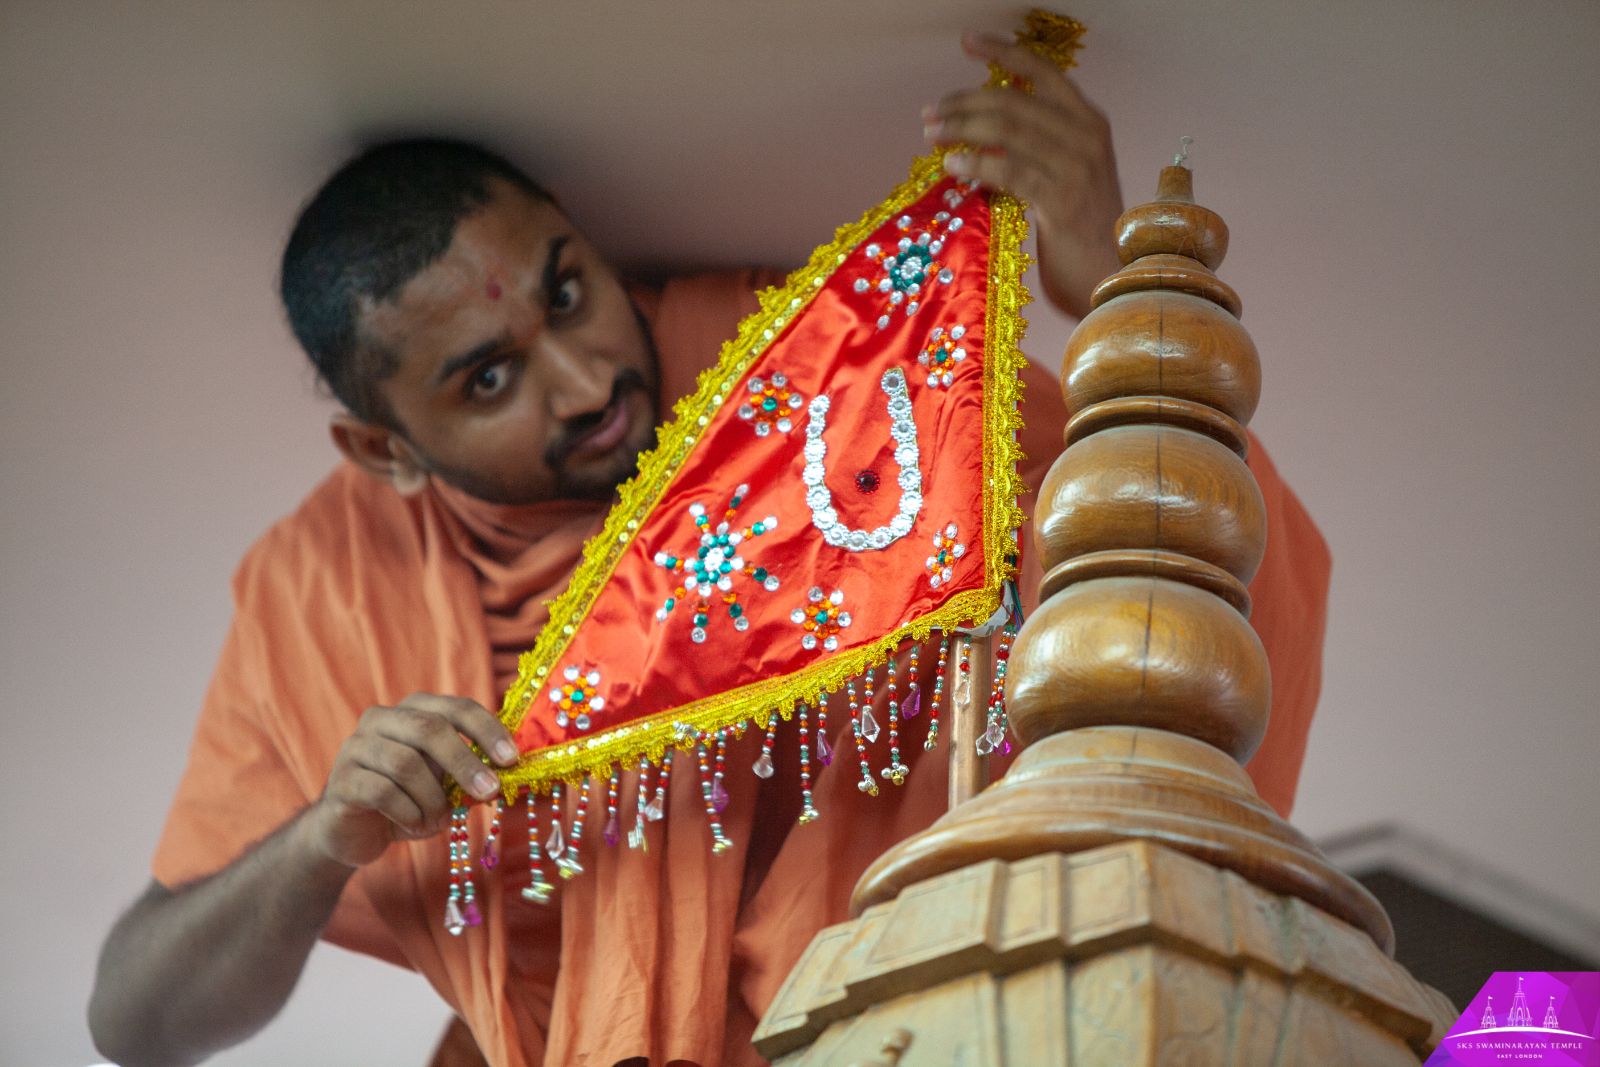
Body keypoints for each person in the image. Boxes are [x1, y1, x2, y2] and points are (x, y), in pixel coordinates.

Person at [88, 33, 1330, 1067]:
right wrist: (323, 837)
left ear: (576, 231)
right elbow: (135, 1018)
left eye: (566, 292)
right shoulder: (317, 587)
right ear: (384, 450)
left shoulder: (812, 371)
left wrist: (1110, 276)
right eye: (489, 378)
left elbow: (1179, 566)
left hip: (918, 1022)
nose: (585, 380)